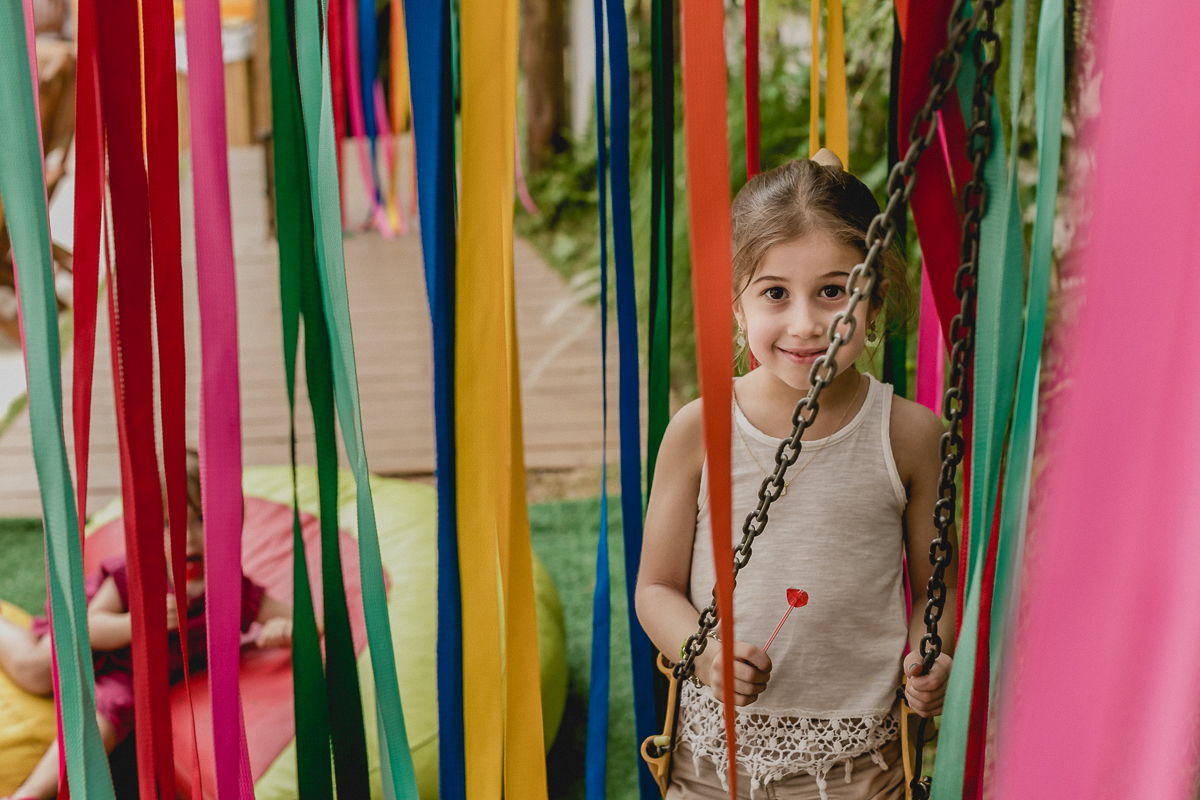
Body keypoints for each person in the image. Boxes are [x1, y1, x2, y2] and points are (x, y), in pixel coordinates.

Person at [635, 150, 957, 800]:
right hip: (712, 767)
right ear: (736, 304)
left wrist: (935, 654)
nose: (806, 324)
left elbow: (937, 589)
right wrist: (703, 653)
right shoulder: (699, 431)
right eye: (775, 293)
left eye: (833, 291)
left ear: (876, 298)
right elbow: (656, 588)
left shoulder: (910, 436)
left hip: (862, 769)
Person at [0, 450, 295, 800]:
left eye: (201, 518)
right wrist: (139, 623)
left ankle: (31, 794)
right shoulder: (136, 572)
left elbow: (300, 620)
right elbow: (91, 626)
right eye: (169, 524)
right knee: (34, 670)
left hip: (127, 677)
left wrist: (284, 630)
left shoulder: (230, 587)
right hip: (92, 645)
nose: (188, 537)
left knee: (109, 715)